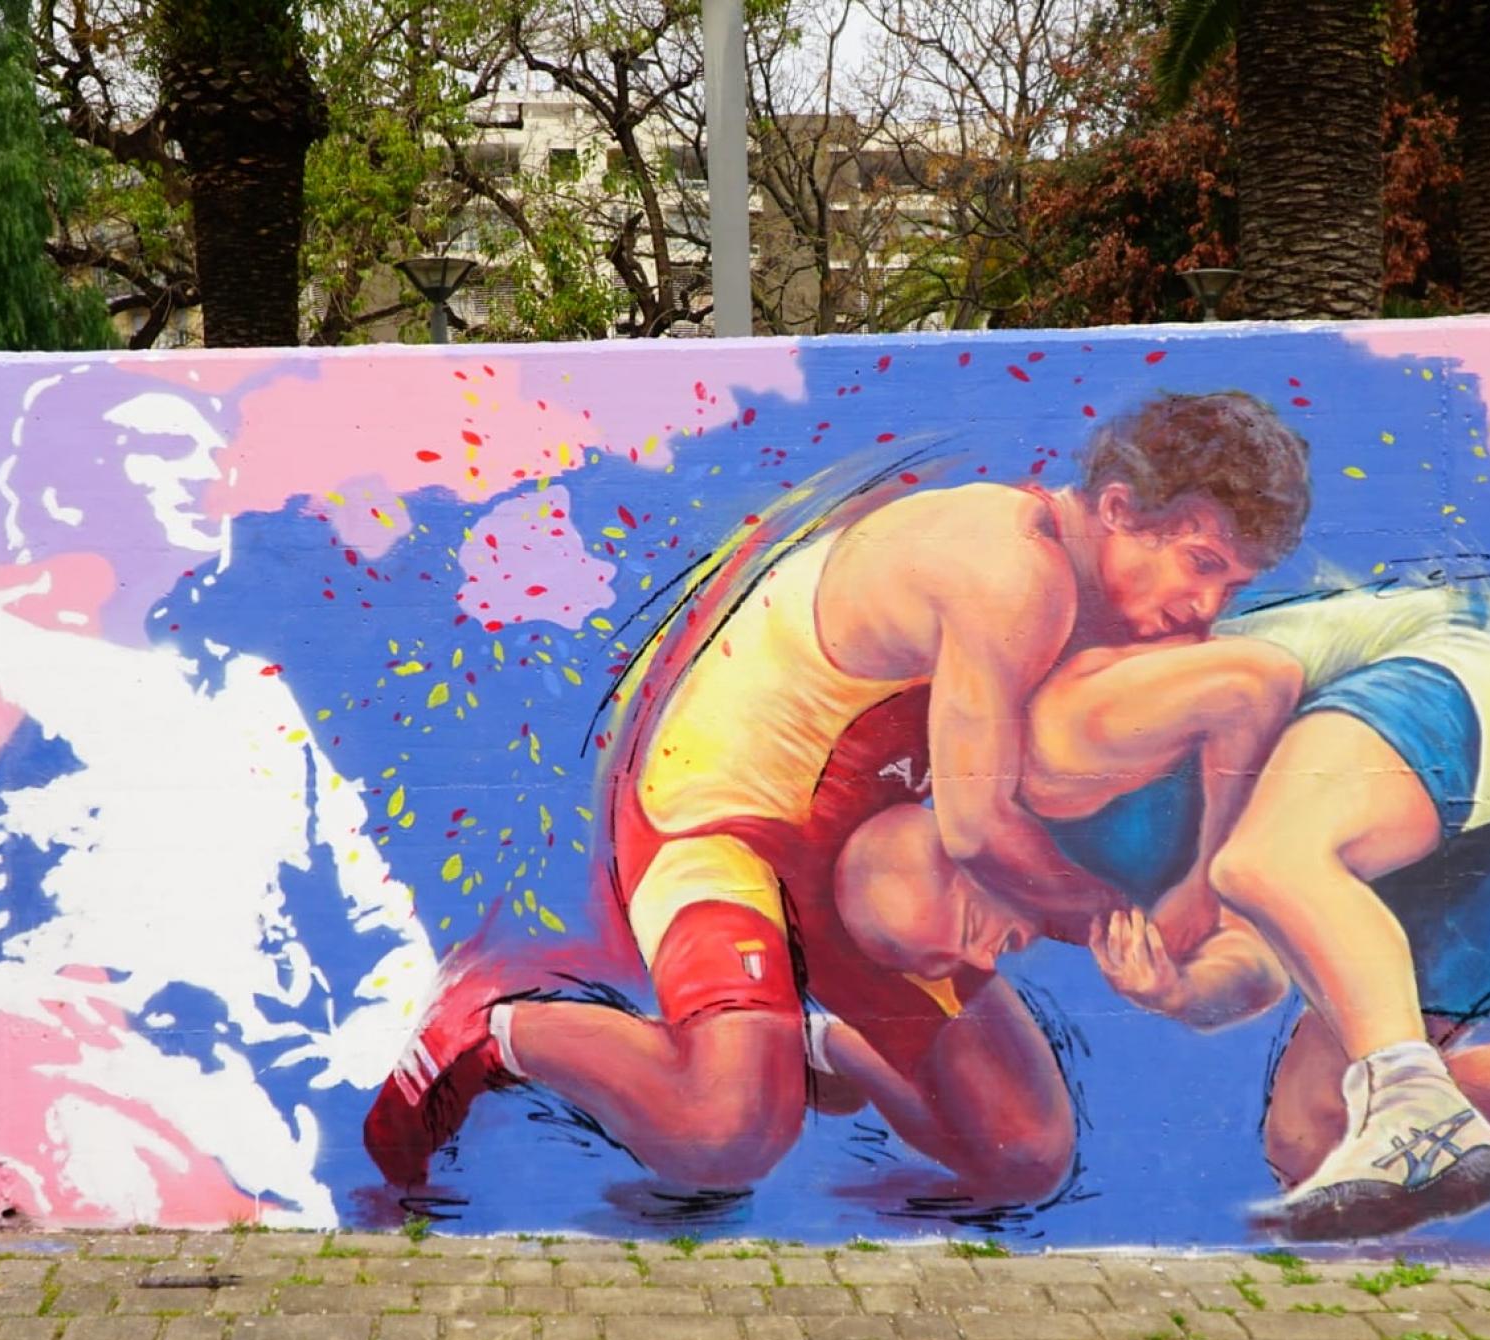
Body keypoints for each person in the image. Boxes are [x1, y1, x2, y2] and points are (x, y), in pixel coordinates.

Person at [364, 392, 1313, 1192]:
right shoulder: (1009, 567)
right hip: (726, 822)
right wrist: (1123, 923)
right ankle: (495, 1029)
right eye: (1201, 565)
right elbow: (979, 831)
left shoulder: (1115, 605)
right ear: (1117, 508)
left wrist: (1202, 889)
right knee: (726, 1133)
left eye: (1231, 583)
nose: (1206, 607)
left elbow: (1241, 695)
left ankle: (819, 1044)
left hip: (864, 855)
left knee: (1023, 1155)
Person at [841, 577, 1490, 1239]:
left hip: (1467, 681)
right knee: (1313, 1133)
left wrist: (1202, 877)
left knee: (1263, 858)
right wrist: (1176, 992)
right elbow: (1258, 964)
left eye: (972, 932)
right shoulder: (1081, 905)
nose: (1000, 951)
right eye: (971, 961)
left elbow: (1256, 682)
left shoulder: (1051, 747)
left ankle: (1410, 1099)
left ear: (961, 849)